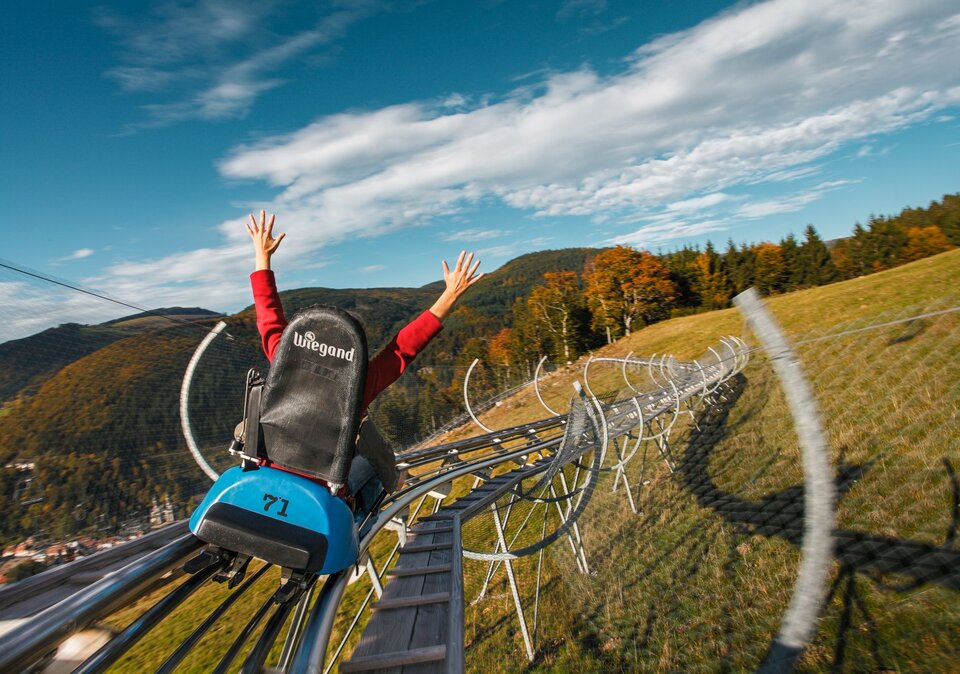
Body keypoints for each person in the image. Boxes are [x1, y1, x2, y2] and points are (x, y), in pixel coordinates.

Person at [245, 210, 483, 527]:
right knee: (375, 465)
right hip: (323, 496)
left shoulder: (282, 360)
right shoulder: (360, 382)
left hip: (271, 479)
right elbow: (403, 348)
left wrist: (262, 258)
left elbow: (269, 317)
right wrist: (449, 296)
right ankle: (362, 524)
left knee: (367, 447)